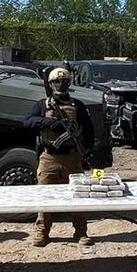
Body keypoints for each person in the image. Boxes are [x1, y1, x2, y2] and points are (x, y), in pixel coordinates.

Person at [24, 67, 95, 247]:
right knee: (44, 196)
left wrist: (87, 150)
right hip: (49, 157)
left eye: (64, 82)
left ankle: (80, 232)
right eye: (57, 82)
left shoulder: (77, 105)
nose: (61, 85)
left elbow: (88, 130)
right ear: (50, 84)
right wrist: (48, 122)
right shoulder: (43, 104)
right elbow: (27, 121)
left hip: (72, 157)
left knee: (78, 197)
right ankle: (42, 231)